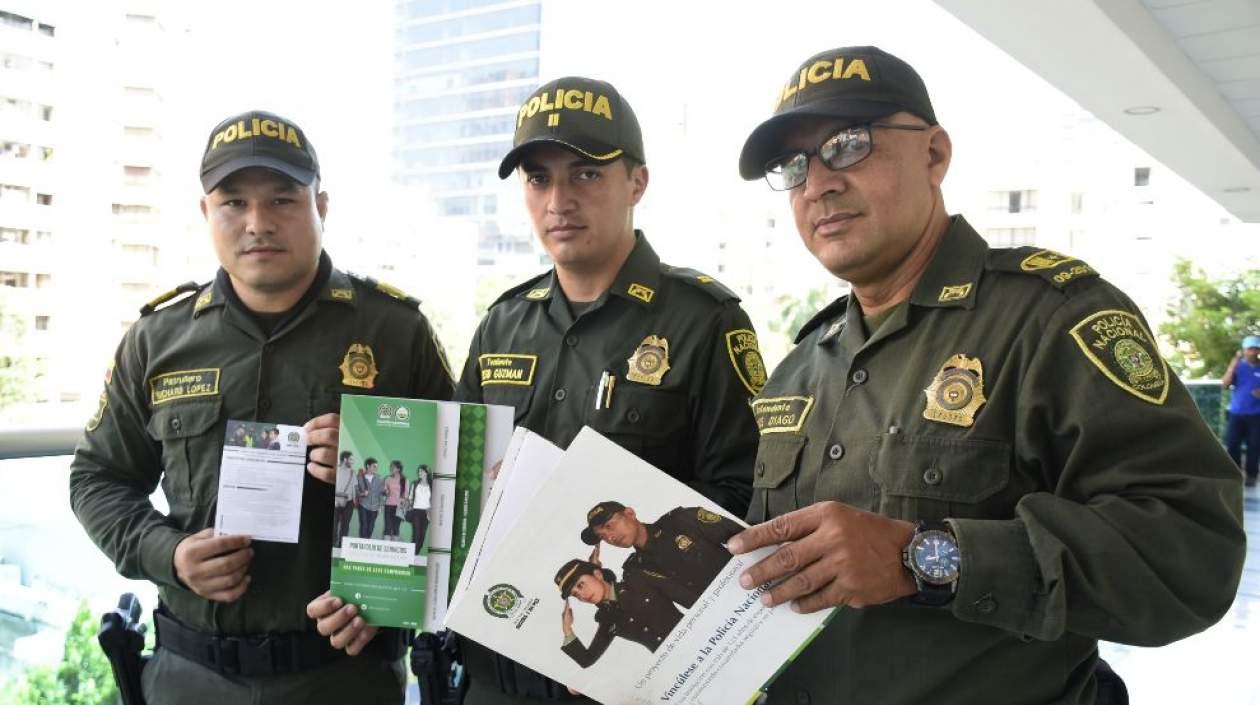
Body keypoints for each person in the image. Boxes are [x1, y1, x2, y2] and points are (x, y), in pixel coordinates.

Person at [723, 46, 1246, 705]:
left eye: (850, 145)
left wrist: (925, 557)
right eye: (793, 165)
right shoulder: (798, 368)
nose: (818, 182)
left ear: (935, 154)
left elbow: (1194, 552)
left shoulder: (1050, 320)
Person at [68, 109, 454, 704]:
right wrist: (167, 553)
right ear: (206, 214)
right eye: (233, 203)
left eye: (281, 200)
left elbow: (464, 492)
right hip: (190, 675)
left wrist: (392, 600)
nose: (257, 223)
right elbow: (98, 478)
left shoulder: (395, 333)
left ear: (320, 207)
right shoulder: (157, 340)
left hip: (343, 676)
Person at [447, 75, 763, 704]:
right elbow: (455, 481)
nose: (558, 199)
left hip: (632, 679)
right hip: (494, 672)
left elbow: (745, 500)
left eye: (586, 174)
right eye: (539, 178)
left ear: (637, 183)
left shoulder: (703, 320)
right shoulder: (502, 322)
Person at [580, 500, 741, 608]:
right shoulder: (635, 569)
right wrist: (597, 575)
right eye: (602, 537)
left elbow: (746, 536)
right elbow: (627, 609)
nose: (610, 537)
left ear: (630, 513)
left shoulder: (681, 520)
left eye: (609, 526)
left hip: (752, 587)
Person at [554, 558, 683, 669]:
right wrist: (567, 630)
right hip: (673, 665)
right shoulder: (607, 618)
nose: (582, 595)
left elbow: (690, 598)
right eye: (575, 595)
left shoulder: (637, 580)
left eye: (581, 585)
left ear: (598, 574)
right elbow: (587, 659)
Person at [1224, 335, 1260, 487]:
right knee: (1232, 444)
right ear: (1244, 350)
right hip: (1236, 413)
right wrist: (1233, 364)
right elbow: (1225, 384)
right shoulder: (1238, 366)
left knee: (1254, 446)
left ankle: (1251, 476)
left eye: (1255, 348)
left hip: (1256, 414)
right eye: (1249, 348)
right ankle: (1235, 473)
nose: (1252, 351)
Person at [405, 464, 433, 554]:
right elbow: (410, 497)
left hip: (426, 512)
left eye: (421, 471)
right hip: (416, 511)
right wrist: (407, 505)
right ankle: (412, 555)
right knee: (416, 534)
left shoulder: (432, 485)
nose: (419, 473)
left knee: (422, 535)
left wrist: (430, 512)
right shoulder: (415, 483)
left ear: (426, 473)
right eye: (419, 471)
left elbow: (435, 500)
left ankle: (415, 554)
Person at [333, 451, 356, 547]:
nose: (353, 462)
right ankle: (333, 543)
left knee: (345, 525)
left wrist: (354, 501)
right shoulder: (335, 469)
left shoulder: (352, 472)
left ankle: (341, 546)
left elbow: (355, 487)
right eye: (351, 459)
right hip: (335, 500)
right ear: (345, 459)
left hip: (349, 502)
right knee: (333, 524)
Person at [358, 458, 385, 539]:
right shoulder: (360, 477)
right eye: (374, 466)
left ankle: (367, 540)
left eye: (376, 467)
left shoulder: (379, 478)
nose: (375, 468)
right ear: (368, 466)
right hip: (363, 504)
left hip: (375, 506)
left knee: (371, 526)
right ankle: (362, 542)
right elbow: (356, 491)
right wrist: (363, 493)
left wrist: (381, 506)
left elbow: (381, 493)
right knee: (364, 525)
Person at [383, 460, 406, 541]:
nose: (391, 468)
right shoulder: (388, 478)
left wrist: (403, 505)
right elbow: (385, 490)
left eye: (393, 467)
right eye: (391, 467)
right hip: (388, 505)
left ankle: (394, 549)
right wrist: (386, 491)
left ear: (398, 469)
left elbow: (406, 495)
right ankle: (386, 548)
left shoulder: (404, 480)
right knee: (387, 527)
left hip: (399, 507)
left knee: (396, 527)